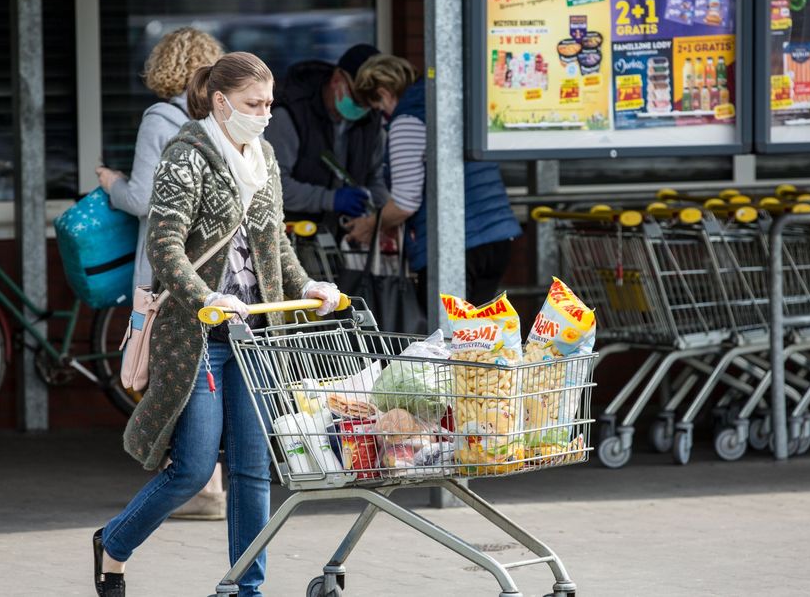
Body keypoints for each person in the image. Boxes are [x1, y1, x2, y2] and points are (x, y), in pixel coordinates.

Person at [92, 52, 341, 597]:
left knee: (253, 471)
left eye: (270, 104)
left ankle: (245, 589)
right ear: (222, 102)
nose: (265, 114)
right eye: (254, 104)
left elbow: (274, 244)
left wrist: (310, 287)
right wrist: (206, 296)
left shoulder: (266, 157)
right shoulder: (187, 156)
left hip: (253, 335)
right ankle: (114, 544)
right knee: (193, 467)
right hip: (197, 333)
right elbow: (164, 246)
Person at [94, 27, 229, 522]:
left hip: (166, 265)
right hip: (213, 264)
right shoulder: (220, 116)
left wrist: (112, 183)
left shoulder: (160, 117)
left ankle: (199, 484)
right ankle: (208, 480)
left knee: (165, 368)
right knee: (203, 369)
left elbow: (146, 198)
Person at [349, 54, 521, 307]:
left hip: (458, 245)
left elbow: (405, 202)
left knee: (448, 336)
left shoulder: (408, 120)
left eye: (377, 107)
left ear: (384, 93)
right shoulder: (450, 103)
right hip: (498, 237)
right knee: (476, 336)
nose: (381, 115)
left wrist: (369, 225)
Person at [264, 44, 389, 231]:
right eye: (357, 100)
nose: (362, 109)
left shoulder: (371, 123)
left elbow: (378, 178)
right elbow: (274, 186)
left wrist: (373, 203)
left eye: (368, 104)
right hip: (298, 235)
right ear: (337, 79)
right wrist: (329, 199)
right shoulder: (291, 115)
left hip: (348, 237)